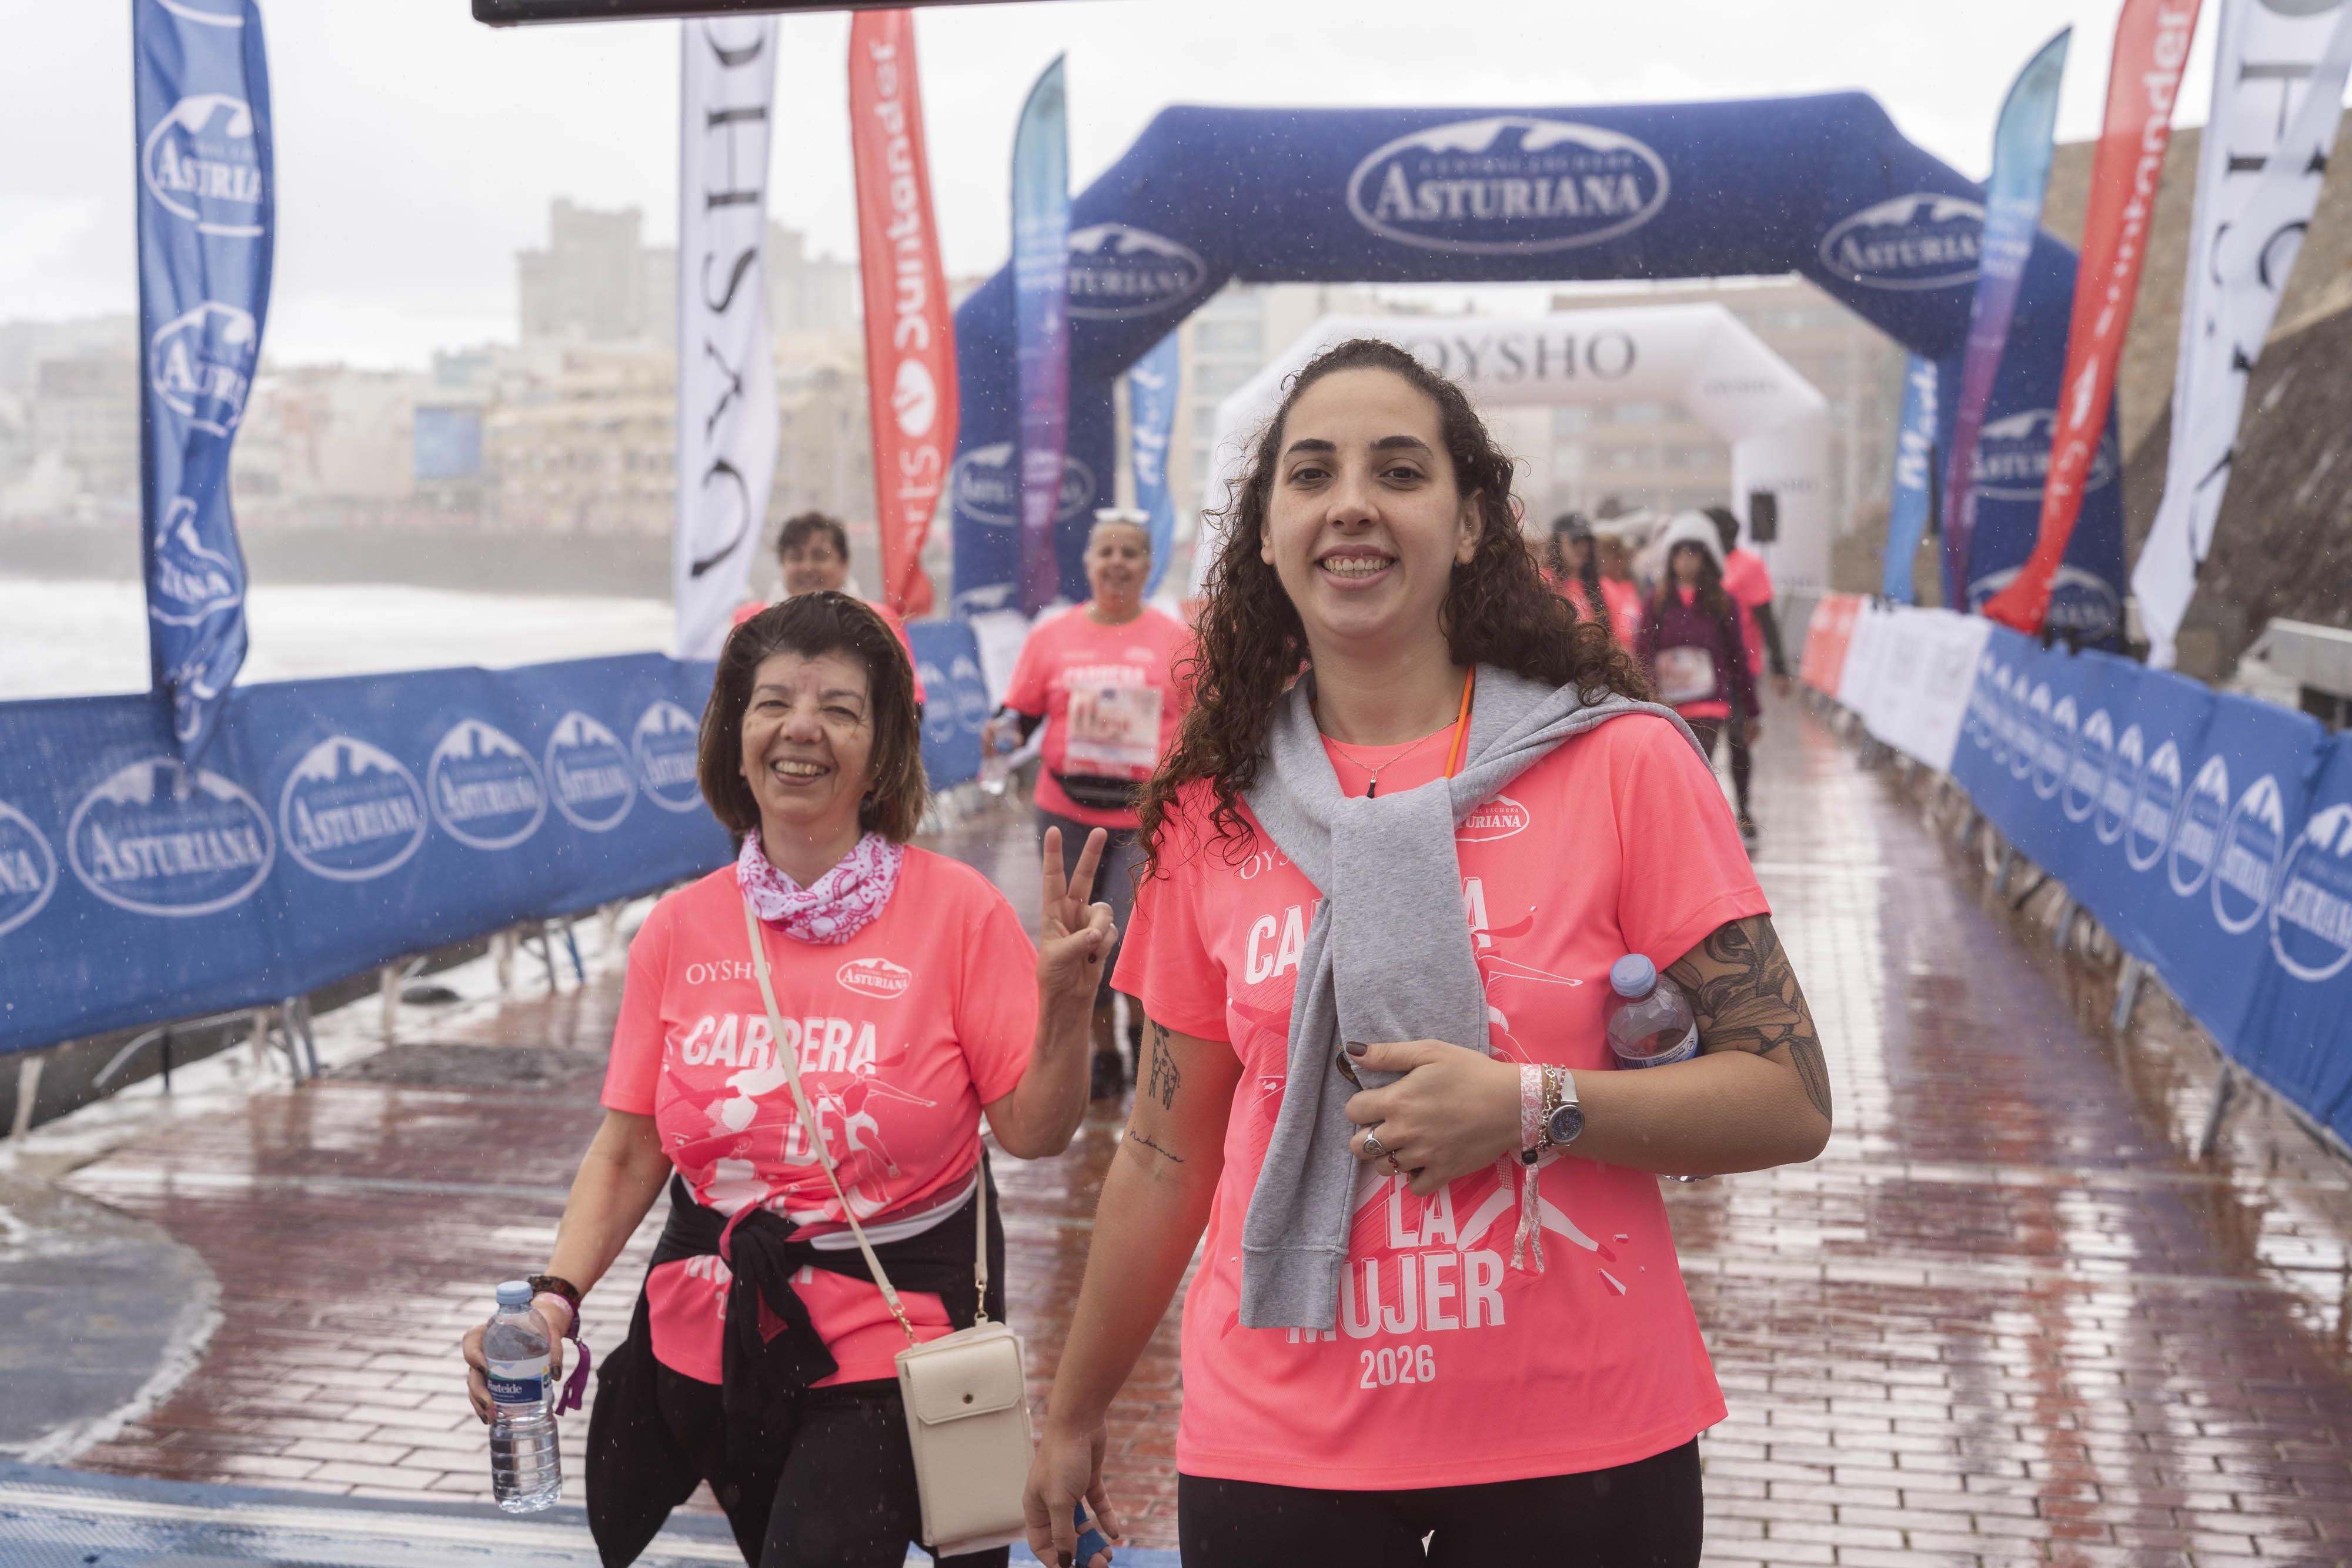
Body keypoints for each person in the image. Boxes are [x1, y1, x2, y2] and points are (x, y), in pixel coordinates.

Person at [1022, 339, 1832, 1568]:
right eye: (1311, 473)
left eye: (1398, 471)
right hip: (1278, 1447)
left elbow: (1789, 1096)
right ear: (1267, 533)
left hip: (1583, 1441)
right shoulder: (1209, 809)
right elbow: (1164, 1149)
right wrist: (1075, 1409)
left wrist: (1530, 1105)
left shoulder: (1620, 762)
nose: (1352, 502)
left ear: (1468, 525)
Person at [461, 592, 1114, 1568]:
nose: (801, 727)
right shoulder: (679, 927)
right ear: (736, 740)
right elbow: (630, 1147)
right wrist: (553, 1301)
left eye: (840, 709)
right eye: (772, 703)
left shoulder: (959, 913)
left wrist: (1066, 1010)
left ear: (881, 753)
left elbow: (1033, 1131)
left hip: (892, 1341)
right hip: (713, 1348)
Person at [983, 509, 1192, 1102]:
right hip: (1065, 814)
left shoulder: (1178, 642)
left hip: (1147, 819)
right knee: (1080, 939)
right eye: (1107, 552)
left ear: (1149, 566)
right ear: (1089, 563)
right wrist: (1000, 734)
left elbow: (1207, 724)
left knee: (1129, 937)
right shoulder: (1052, 637)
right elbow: (1020, 717)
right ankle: (1103, 1052)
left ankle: (1138, 1036)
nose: (1117, 563)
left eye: (1130, 553)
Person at [1638, 514, 1761, 840]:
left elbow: (1738, 657)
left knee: (1697, 766)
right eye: (1680, 553)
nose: (1686, 560)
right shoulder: (1657, 601)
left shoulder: (1722, 602)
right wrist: (1640, 697)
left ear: (1706, 558)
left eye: (1693, 553)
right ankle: (1685, 828)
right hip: (1669, 706)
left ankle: (1697, 831)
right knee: (1674, 770)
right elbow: (1643, 651)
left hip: (1709, 704)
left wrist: (1751, 709)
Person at [736, 512, 924, 705]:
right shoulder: (750, 620)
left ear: (844, 563)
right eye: (796, 557)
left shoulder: (879, 619)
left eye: (820, 557)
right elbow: (733, 697)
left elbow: (910, 700)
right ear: (782, 564)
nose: (808, 567)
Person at [1542, 511, 1637, 643]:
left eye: (1586, 542)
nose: (1582, 548)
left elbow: (1621, 637)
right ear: (1557, 543)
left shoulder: (1603, 587)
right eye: (1575, 541)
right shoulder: (1544, 582)